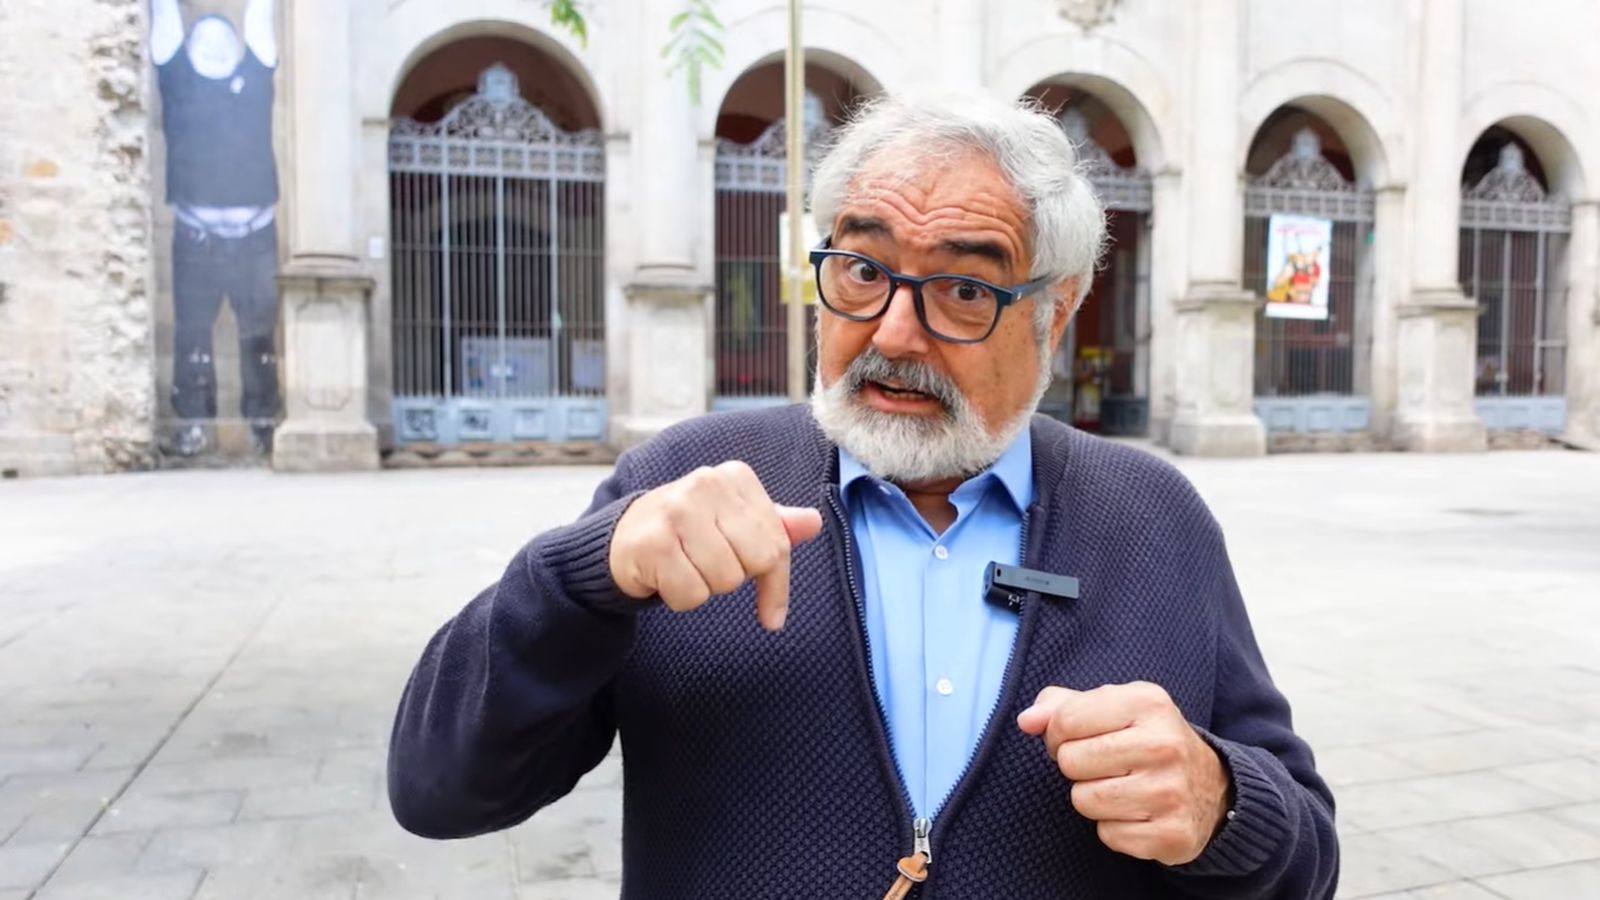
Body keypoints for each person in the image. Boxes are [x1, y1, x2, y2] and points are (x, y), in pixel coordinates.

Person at [388, 92, 1339, 899]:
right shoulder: (676, 490)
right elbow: (440, 791)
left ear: (1057, 308)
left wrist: (1220, 803)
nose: (894, 333)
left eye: (965, 288)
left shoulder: (1152, 517)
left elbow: (1308, 855)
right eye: (862, 268)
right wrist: (581, 579)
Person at [150, 0, 281, 455]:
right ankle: (193, 425)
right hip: (195, 236)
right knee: (191, 334)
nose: (215, 42)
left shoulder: (256, 75)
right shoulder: (176, 77)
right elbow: (164, 17)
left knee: (259, 336)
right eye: (203, 36)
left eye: (224, 36)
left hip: (256, 236)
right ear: (188, 46)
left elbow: (261, 18)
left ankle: (264, 424)